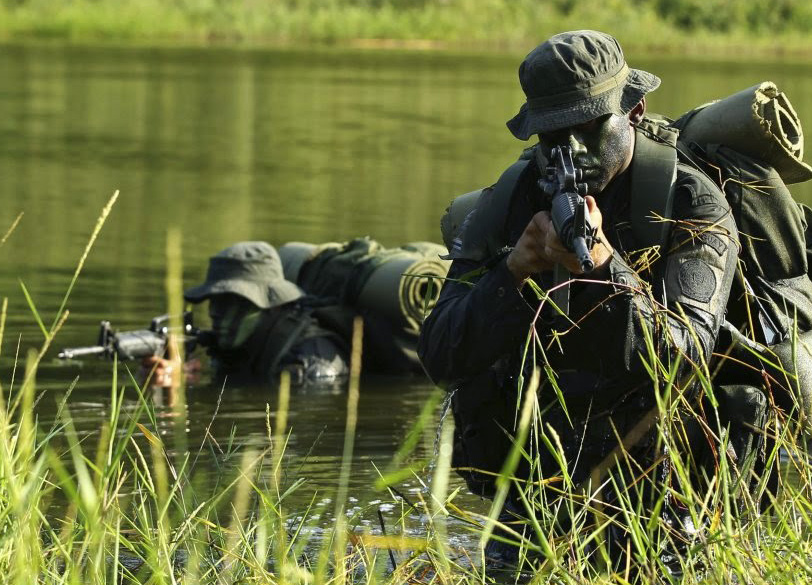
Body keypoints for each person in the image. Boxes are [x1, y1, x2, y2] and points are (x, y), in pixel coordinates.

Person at [418, 30, 741, 569]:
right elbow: (440, 354)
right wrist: (513, 272)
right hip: (537, 487)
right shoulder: (510, 201)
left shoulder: (689, 200)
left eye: (589, 126)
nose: (570, 151)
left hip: (661, 490)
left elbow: (683, 359)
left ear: (634, 110)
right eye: (552, 135)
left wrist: (599, 267)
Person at [144, 242, 351, 389]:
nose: (215, 312)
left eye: (232, 302)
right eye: (213, 300)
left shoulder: (312, 367)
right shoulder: (238, 346)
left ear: (272, 305)